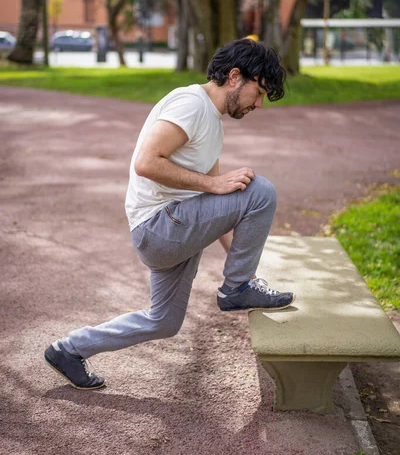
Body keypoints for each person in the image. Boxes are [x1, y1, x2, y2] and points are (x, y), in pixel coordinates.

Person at [44, 38, 295, 390]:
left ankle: (67, 350)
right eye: (260, 91)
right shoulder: (191, 103)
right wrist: (238, 281)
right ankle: (236, 287)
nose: (260, 103)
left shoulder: (213, 124)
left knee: (164, 321)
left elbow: (223, 205)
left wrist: (247, 267)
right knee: (260, 190)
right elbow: (147, 162)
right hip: (160, 227)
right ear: (235, 76)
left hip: (173, 231)